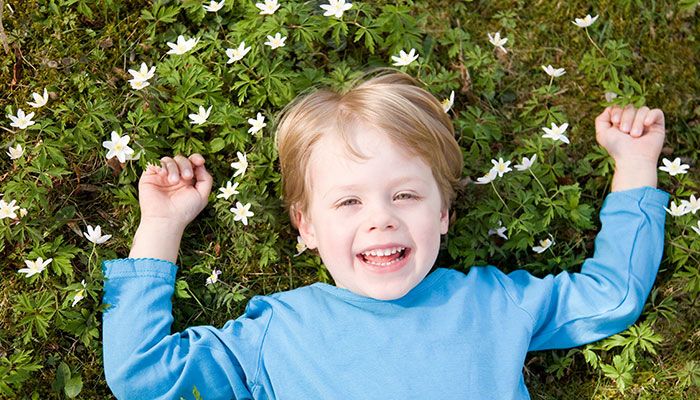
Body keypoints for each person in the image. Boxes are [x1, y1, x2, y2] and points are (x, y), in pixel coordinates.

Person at [102, 73, 669, 399]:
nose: (382, 218)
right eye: (349, 201)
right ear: (307, 227)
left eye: (405, 195)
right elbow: (142, 374)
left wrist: (637, 165)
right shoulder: (275, 331)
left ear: (444, 213)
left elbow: (610, 296)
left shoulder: (495, 303)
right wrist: (161, 226)